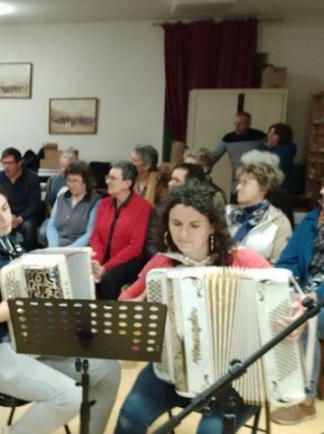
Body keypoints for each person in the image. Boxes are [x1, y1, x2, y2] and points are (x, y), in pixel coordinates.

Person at [0, 181, 120, 434]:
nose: (4, 218)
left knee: (107, 370)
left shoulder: (12, 244)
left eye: (5, 208)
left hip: (29, 344)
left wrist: (83, 271)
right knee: (68, 397)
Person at [114, 183, 273, 434]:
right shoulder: (162, 263)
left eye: (194, 225)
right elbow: (125, 306)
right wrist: (134, 309)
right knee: (128, 418)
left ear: (212, 226)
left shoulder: (245, 260)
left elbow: (284, 302)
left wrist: (289, 318)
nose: (183, 234)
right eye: (176, 224)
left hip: (236, 375)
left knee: (209, 432)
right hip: (174, 369)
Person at [269, 182, 324, 425]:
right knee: (274, 308)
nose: (321, 192)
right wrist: (289, 286)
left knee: (303, 321)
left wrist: (316, 295)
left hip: (319, 296)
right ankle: (271, 379)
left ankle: (306, 400)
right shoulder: (313, 220)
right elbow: (288, 260)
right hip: (305, 289)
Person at [90, 161, 153, 300]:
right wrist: (96, 263)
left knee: (108, 279)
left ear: (127, 183)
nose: (107, 181)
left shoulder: (143, 207)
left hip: (131, 261)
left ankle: (108, 318)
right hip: (103, 258)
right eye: (108, 177)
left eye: (113, 178)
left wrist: (105, 267)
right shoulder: (104, 203)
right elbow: (96, 237)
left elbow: (135, 247)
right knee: (83, 272)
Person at [226, 159, 292, 264]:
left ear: (264, 188)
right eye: (239, 182)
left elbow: (280, 263)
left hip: (257, 277)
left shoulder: (279, 222)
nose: (238, 187)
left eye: (245, 183)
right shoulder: (228, 213)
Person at [0, 147, 43, 251]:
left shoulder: (32, 177)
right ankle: (3, 255)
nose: (6, 167)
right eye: (4, 163)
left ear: (19, 163)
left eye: (10, 163)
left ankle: (29, 255)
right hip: (6, 215)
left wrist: (20, 218)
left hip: (26, 217)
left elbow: (35, 205)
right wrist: (7, 216)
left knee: (28, 227)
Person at [211, 111, 266, 200]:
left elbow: (269, 157)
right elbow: (215, 156)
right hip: (236, 183)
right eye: (235, 123)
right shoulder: (228, 138)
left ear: (248, 123)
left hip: (256, 182)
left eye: (240, 124)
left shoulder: (260, 137)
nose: (237, 127)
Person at [46, 160, 101, 247]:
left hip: (79, 249)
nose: (71, 184)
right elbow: (51, 224)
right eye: (68, 180)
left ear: (86, 182)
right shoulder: (62, 197)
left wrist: (68, 251)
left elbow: (90, 234)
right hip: (57, 247)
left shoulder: (96, 201)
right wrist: (53, 246)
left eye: (75, 181)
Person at [259, 122, 297, 190]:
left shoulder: (289, 147)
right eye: (269, 133)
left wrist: (267, 148)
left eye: (274, 134)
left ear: (282, 136)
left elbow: (274, 160)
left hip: (281, 184)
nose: (270, 136)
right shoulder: (265, 144)